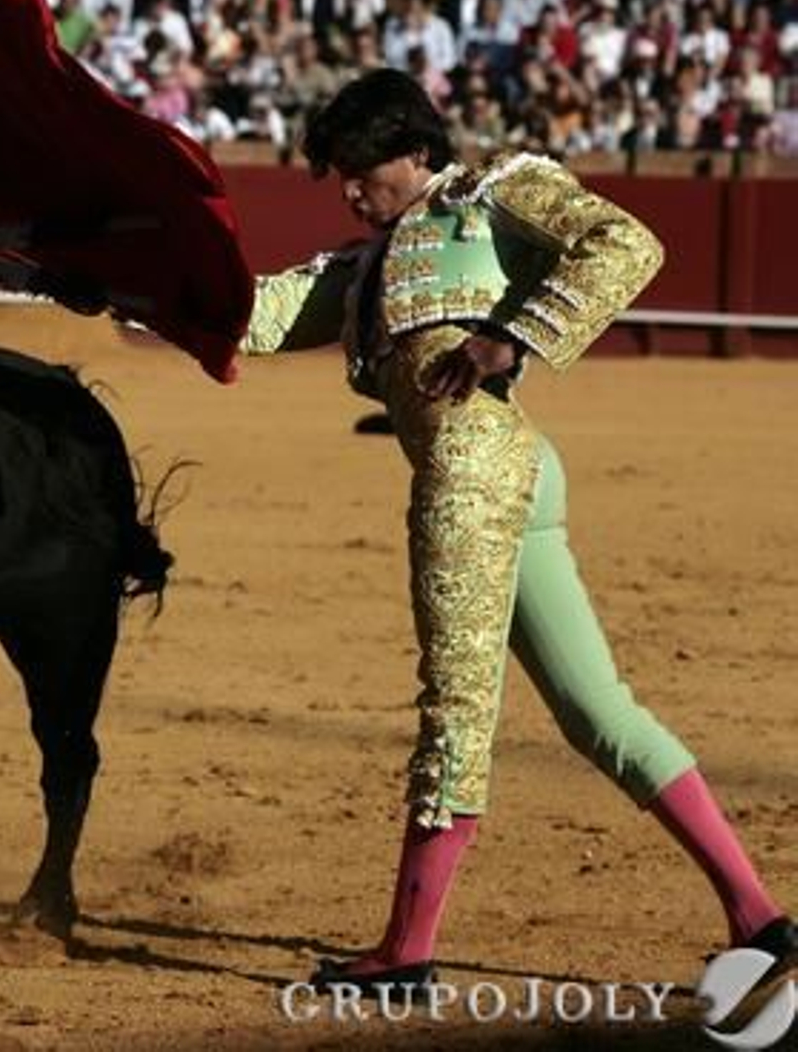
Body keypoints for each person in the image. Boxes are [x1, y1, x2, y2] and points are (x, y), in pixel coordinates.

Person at [241, 68, 795, 998]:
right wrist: (128, 287)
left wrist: (515, 337)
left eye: (359, 170)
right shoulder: (369, 265)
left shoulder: (496, 195)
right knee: (598, 712)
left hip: (471, 478)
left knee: (455, 707)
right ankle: (761, 920)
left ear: (415, 151)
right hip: (506, 477)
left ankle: (407, 953)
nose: (348, 190)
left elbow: (626, 241)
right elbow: (256, 315)